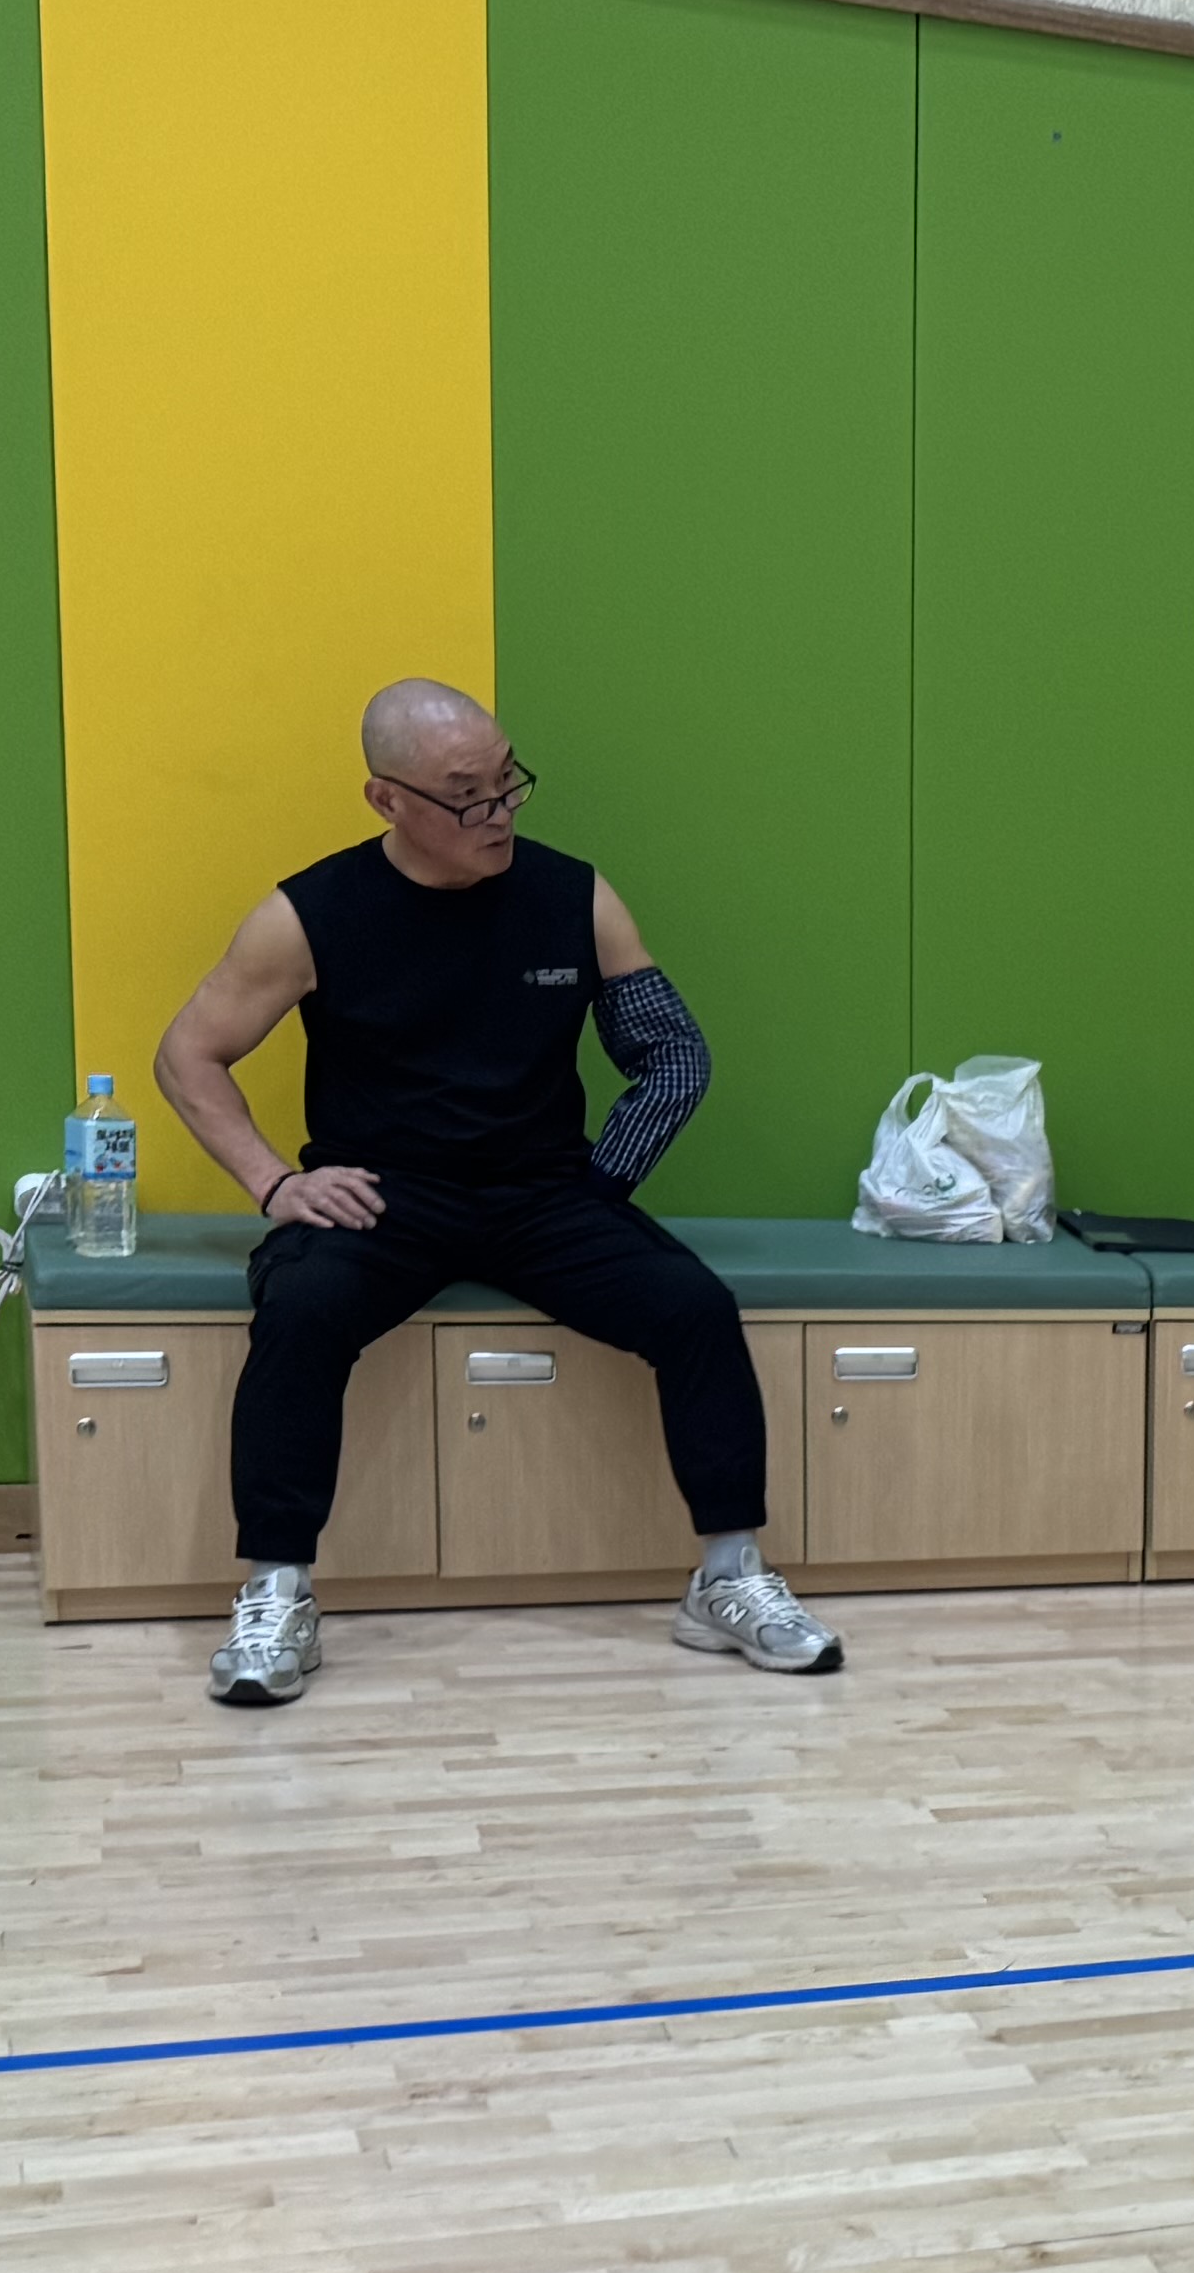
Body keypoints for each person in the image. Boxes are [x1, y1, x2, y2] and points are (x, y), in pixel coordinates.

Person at [151, 680, 841, 1703]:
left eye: (508, 780)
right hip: (383, 1198)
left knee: (694, 1307)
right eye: (466, 794)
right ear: (388, 800)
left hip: (543, 1193)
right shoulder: (311, 916)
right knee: (300, 1309)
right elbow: (187, 1055)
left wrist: (601, 1184)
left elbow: (673, 1056)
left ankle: (728, 1578)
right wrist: (274, 1183)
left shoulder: (576, 898)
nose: (499, 811)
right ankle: (278, 1592)